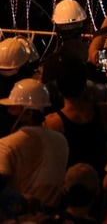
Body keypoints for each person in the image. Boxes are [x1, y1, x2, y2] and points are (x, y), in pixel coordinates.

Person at [0, 79, 69, 209]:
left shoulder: (5, 145)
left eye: (13, 108)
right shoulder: (61, 140)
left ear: (29, 113)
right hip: (52, 215)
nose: (8, 112)